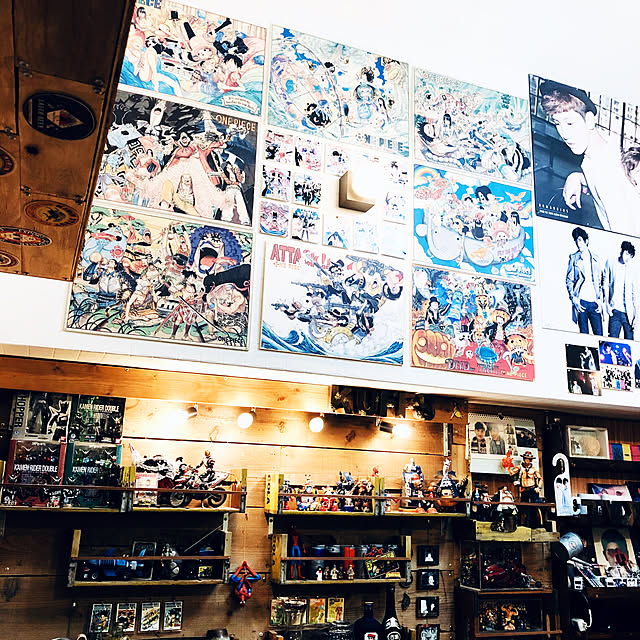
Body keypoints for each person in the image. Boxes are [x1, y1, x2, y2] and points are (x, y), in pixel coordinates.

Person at [539, 80, 640, 236]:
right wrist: (578, 177)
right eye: (557, 123)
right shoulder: (606, 147)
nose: (564, 134)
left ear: (590, 120)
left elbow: (626, 238)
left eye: (570, 123)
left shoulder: (606, 175)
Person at [565, 227, 604, 335]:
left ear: (586, 241)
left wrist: (600, 300)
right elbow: (569, 280)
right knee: (584, 336)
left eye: (580, 240)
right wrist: (574, 299)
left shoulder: (595, 258)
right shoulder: (574, 258)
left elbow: (600, 281)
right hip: (581, 301)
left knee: (599, 336)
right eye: (576, 241)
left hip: (594, 302)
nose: (578, 244)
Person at [604, 241, 637, 340]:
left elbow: (635, 295)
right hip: (615, 311)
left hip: (628, 314)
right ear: (622, 251)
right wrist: (607, 305)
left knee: (630, 343)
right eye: (626, 254)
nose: (627, 258)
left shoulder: (632, 270)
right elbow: (605, 285)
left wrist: (636, 317)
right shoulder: (611, 263)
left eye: (630, 256)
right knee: (612, 342)